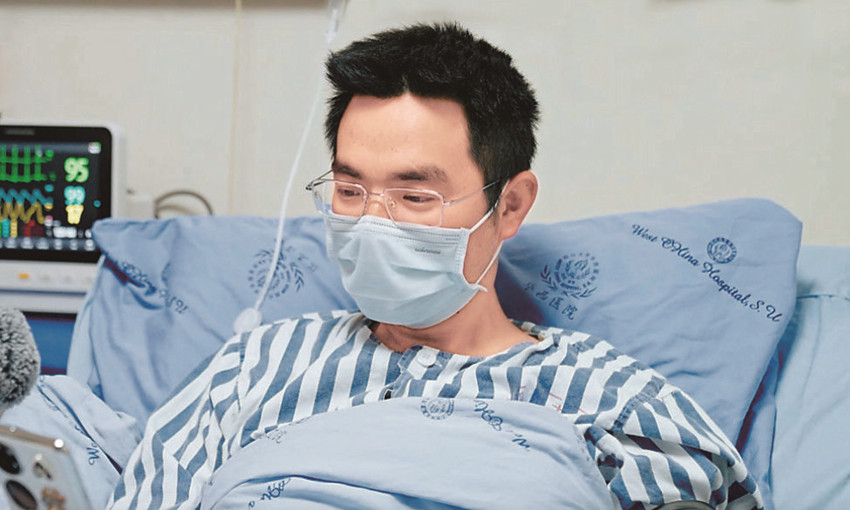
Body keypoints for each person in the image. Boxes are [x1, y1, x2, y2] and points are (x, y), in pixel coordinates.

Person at [109, 23, 763, 509]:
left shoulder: (611, 399)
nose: (371, 222)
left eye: (415, 197)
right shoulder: (254, 367)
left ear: (510, 205)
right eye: (349, 189)